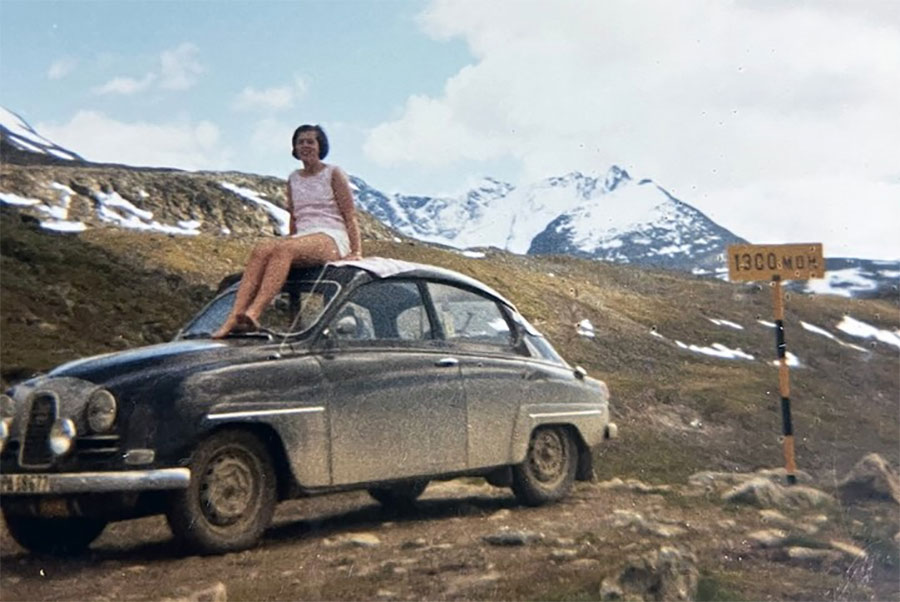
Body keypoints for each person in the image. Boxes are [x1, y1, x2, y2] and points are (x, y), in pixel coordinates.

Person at [213, 124, 362, 337]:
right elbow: (295, 216)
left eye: (310, 141)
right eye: (300, 142)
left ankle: (254, 313)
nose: (305, 146)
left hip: (332, 235)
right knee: (262, 248)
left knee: (285, 250)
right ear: (294, 148)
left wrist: (356, 251)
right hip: (304, 237)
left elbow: (349, 214)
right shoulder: (294, 177)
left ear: (320, 145)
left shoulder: (333, 173)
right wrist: (290, 239)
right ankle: (234, 317)